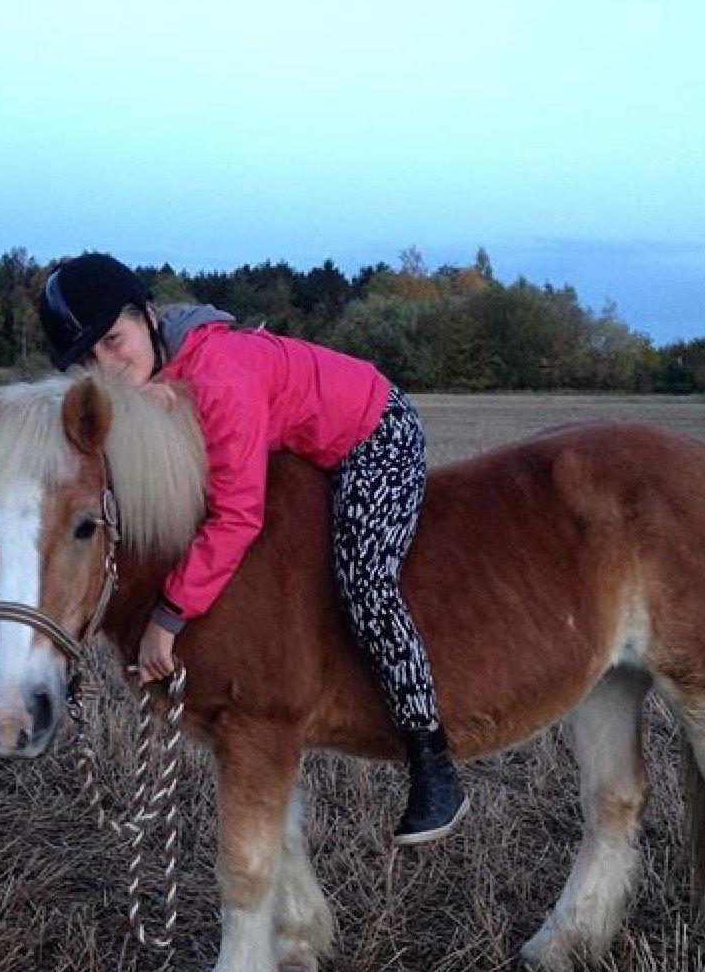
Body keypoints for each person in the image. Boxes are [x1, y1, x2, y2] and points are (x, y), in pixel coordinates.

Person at [37, 252, 469, 845]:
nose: (108, 366)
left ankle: (432, 761)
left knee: (364, 583)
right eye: (88, 359)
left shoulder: (220, 371)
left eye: (114, 340)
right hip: (306, 444)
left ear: (149, 317)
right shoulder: (165, 363)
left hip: (375, 433)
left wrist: (168, 616)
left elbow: (238, 514)